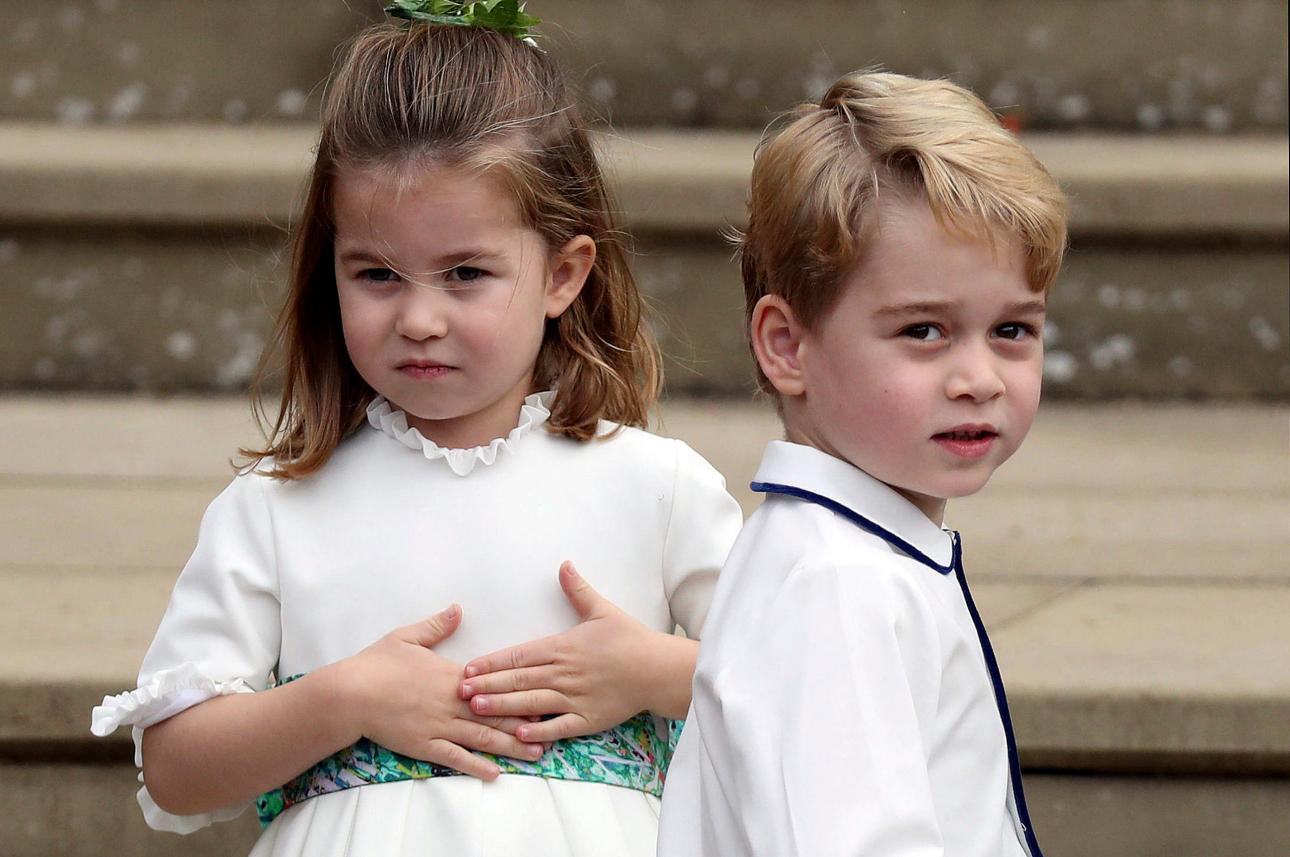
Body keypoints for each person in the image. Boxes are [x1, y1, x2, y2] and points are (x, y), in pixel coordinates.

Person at [89, 9, 743, 857]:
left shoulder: (656, 485)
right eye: (377, 274)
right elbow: (176, 768)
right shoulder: (279, 507)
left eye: (465, 273)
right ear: (331, 268)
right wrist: (344, 699)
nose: (419, 318)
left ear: (564, 273)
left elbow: (799, 679)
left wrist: (652, 672)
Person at [657, 70, 1068, 857]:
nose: (978, 377)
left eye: (1012, 330)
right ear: (787, 345)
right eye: (924, 331)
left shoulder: (853, 553)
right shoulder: (838, 582)